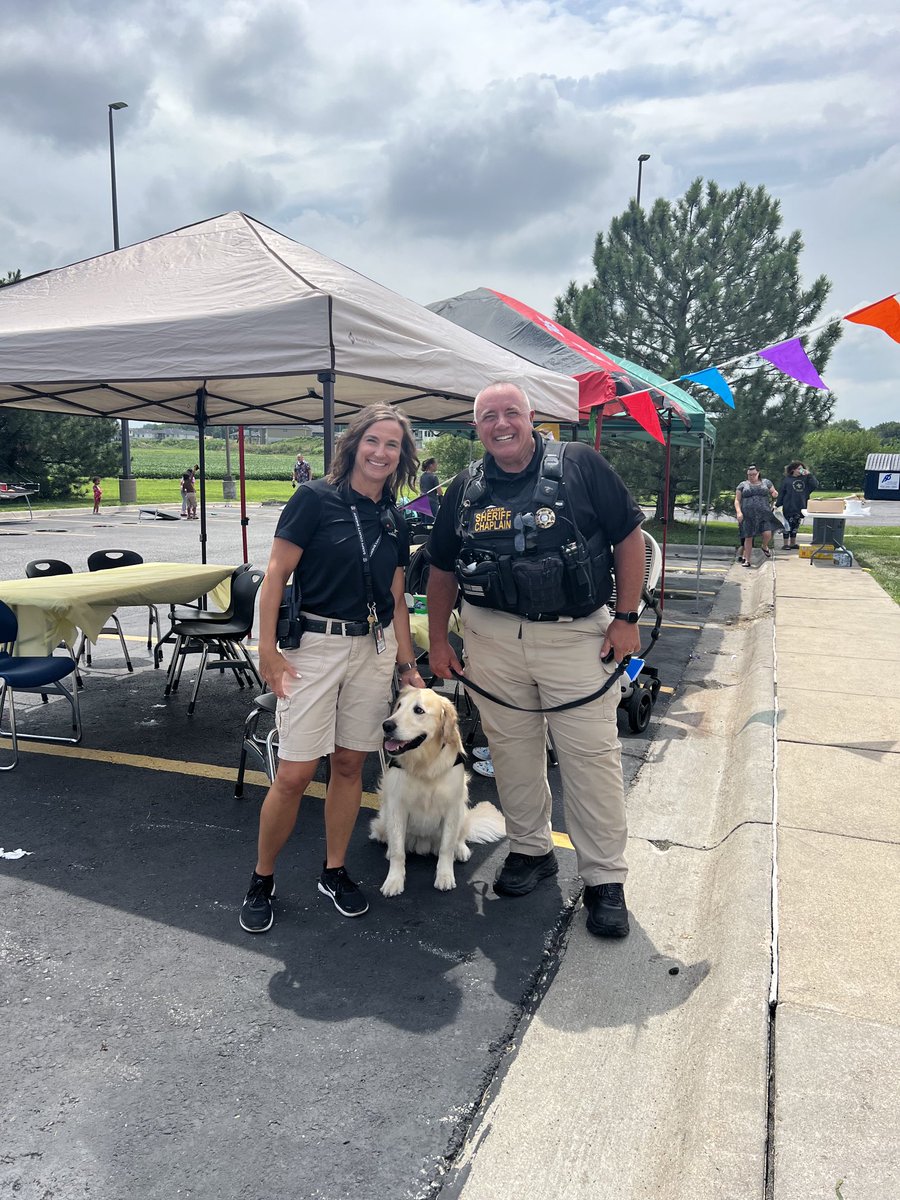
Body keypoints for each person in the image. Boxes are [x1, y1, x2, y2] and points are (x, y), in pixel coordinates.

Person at [425, 382, 646, 939]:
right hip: (491, 637)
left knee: (590, 759)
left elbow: (628, 537)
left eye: (510, 414)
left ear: (531, 418)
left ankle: (604, 880)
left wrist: (626, 617)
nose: (500, 425)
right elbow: (443, 569)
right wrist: (439, 641)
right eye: (488, 417)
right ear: (476, 427)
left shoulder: (580, 465)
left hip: (576, 637)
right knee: (511, 753)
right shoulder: (464, 489)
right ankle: (531, 849)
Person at [239, 404, 426, 934]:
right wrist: (268, 650)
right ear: (354, 444)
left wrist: (407, 665)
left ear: (402, 457)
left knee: (349, 765)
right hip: (314, 647)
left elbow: (395, 598)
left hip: (374, 649)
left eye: (393, 445)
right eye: (374, 441)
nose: (381, 452)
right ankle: (262, 877)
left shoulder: (394, 517)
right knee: (296, 772)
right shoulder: (314, 499)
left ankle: (334, 869)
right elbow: (275, 576)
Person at [735, 465, 779, 566]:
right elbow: (737, 500)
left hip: (764, 513)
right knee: (748, 537)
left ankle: (764, 546)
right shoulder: (742, 485)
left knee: (767, 533)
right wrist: (739, 512)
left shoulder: (766, 482)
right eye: (750, 475)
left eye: (754, 474)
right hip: (748, 514)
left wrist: (774, 493)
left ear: (758, 473)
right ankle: (747, 560)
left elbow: (773, 491)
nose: (752, 476)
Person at [776, 461, 819, 550]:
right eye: (799, 469)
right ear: (793, 470)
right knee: (787, 525)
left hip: (800, 505)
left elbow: (815, 485)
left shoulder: (805, 479)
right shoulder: (787, 480)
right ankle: (785, 544)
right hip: (789, 505)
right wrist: (778, 504)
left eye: (802, 468)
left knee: (796, 525)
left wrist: (809, 475)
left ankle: (793, 543)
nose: (801, 470)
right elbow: (782, 493)